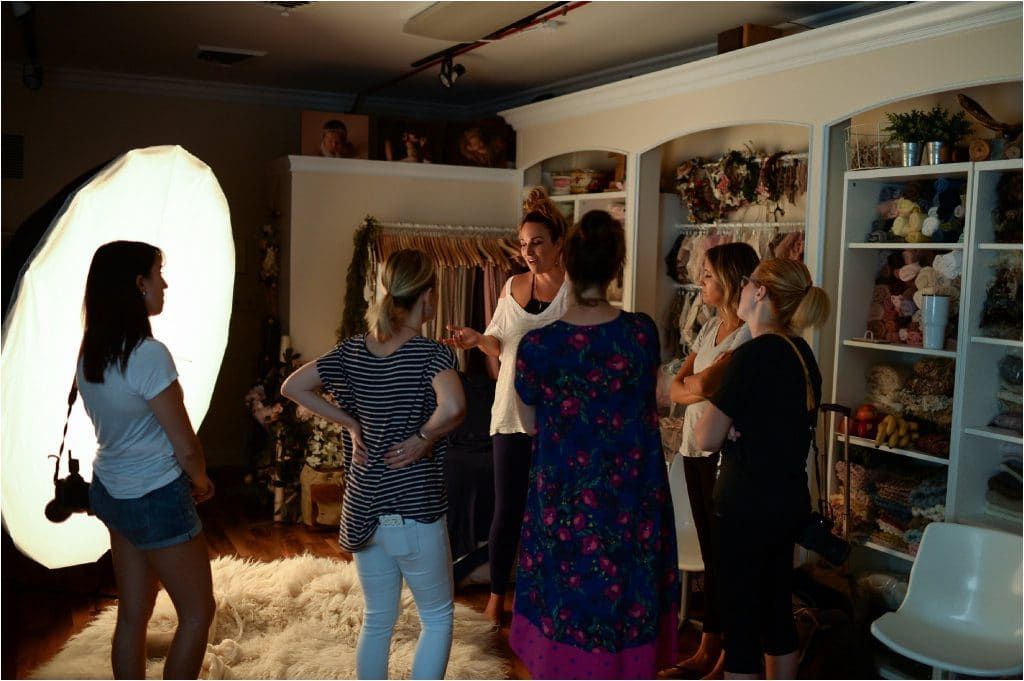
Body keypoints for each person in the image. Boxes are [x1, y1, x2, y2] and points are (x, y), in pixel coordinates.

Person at [281, 249, 466, 680]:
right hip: (414, 510)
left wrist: (350, 422)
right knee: (436, 618)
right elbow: (455, 406)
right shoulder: (430, 354)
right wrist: (424, 437)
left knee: (377, 620)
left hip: (364, 509)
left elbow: (294, 387)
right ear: (427, 297)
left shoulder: (352, 352)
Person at [510, 210, 679, 679]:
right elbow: (656, 402)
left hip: (564, 499)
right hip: (631, 496)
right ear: (615, 268)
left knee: (563, 600)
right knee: (625, 599)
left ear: (567, 262)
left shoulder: (539, 346)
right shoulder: (641, 333)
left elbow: (527, 425)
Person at [76, 241, 216, 679]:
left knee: (133, 613)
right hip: (155, 495)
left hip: (112, 492)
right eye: (158, 272)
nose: (165, 283)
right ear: (138, 284)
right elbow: (185, 443)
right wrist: (202, 480)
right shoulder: (148, 355)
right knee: (198, 612)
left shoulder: (90, 353)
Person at [694, 257, 830, 680]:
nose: (743, 285)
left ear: (761, 293)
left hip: (744, 505)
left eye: (749, 280)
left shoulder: (751, 356)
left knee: (741, 623)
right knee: (775, 610)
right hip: (787, 502)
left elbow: (705, 438)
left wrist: (731, 426)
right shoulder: (802, 353)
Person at [444, 187, 570, 628]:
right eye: (523, 244)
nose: (529, 251)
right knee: (507, 510)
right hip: (510, 414)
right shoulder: (514, 284)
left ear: (557, 243)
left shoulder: (575, 292)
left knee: (553, 512)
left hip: (558, 422)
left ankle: (545, 598)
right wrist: (476, 340)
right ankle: (498, 598)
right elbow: (498, 339)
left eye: (537, 243)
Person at [669, 242, 760, 677]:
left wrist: (695, 387)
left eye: (707, 275)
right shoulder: (710, 330)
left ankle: (723, 651)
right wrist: (695, 387)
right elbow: (679, 386)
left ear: (730, 281)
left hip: (722, 457)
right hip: (693, 450)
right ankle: (711, 646)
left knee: (725, 558)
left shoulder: (747, 336)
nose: (700, 281)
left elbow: (701, 385)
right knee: (710, 555)